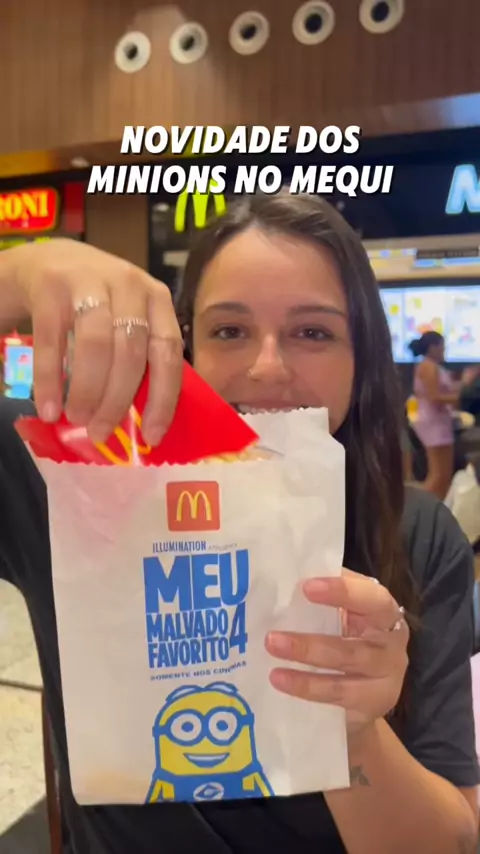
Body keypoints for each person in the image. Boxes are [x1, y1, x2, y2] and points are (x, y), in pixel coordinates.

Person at [0, 190, 478, 854]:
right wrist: (21, 272)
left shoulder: (416, 536)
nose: (267, 368)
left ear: (361, 359)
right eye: (229, 330)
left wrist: (355, 731)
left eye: (313, 333)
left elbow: (451, 841)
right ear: (186, 347)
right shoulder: (75, 476)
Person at [408, 331, 457, 500]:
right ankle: (419, 510)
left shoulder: (431, 366)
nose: (445, 350)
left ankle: (438, 509)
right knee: (438, 475)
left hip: (438, 421)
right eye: (442, 346)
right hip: (433, 422)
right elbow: (434, 397)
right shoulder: (428, 367)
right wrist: (460, 397)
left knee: (444, 476)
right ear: (432, 347)